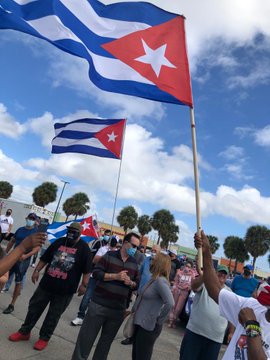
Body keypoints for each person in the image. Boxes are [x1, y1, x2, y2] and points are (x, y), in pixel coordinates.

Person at [8, 222, 92, 351]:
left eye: (74, 231)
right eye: (70, 230)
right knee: (34, 308)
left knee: (53, 315)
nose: (71, 233)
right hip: (46, 284)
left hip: (65, 291)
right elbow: (45, 258)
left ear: (80, 233)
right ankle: (24, 332)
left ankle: (44, 338)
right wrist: (36, 271)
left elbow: (87, 270)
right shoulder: (59, 242)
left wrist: (84, 285)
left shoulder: (84, 248)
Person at [195, 230, 270, 360]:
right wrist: (207, 252)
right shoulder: (252, 305)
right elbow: (216, 291)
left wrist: (251, 324)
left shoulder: (250, 313)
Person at [71, 232, 140, 360]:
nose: (135, 249)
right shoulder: (109, 255)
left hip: (118, 310)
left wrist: (130, 282)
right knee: (85, 339)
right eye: (133, 246)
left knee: (105, 345)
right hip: (99, 305)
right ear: (125, 243)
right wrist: (115, 276)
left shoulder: (134, 264)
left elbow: (137, 284)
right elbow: (96, 273)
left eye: (137, 247)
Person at [180, 264, 233, 360]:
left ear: (227, 277)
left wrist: (231, 332)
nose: (222, 275)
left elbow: (233, 315)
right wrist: (205, 275)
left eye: (224, 274)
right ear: (214, 273)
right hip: (195, 332)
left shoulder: (230, 293)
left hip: (215, 339)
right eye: (220, 273)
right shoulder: (204, 284)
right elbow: (194, 286)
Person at [132, 252, 174, 360]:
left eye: (154, 260)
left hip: (148, 327)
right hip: (141, 324)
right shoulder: (154, 279)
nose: (151, 262)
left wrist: (159, 320)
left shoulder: (160, 282)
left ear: (159, 264)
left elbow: (170, 303)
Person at [70, 235, 119, 326]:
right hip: (95, 277)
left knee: (99, 301)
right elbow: (95, 260)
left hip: (106, 279)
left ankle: (92, 319)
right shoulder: (103, 249)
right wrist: (106, 256)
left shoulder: (117, 254)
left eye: (115, 241)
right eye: (112, 240)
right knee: (87, 297)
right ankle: (80, 316)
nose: (113, 242)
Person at [121, 244, 161, 346]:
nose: (153, 252)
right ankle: (130, 336)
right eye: (152, 250)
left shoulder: (160, 263)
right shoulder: (147, 259)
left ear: (159, 252)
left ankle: (138, 338)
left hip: (151, 296)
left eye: (155, 250)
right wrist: (136, 286)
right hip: (141, 292)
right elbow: (140, 273)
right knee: (135, 314)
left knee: (143, 317)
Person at [3, 213, 39, 314]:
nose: (30, 220)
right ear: (26, 218)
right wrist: (5, 253)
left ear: (35, 221)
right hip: (13, 257)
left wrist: (26, 256)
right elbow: (12, 241)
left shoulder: (35, 232)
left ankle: (12, 304)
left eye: (33, 219)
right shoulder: (20, 229)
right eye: (29, 218)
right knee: (3, 276)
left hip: (23, 260)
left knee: (18, 281)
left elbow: (37, 248)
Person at [168, 260, 195, 328]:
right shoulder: (180, 273)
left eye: (189, 267)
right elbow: (176, 282)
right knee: (173, 306)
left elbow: (193, 284)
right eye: (186, 266)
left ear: (191, 268)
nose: (187, 267)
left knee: (178, 308)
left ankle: (174, 321)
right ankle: (170, 321)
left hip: (184, 292)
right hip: (177, 290)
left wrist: (189, 287)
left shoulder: (192, 275)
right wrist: (174, 288)